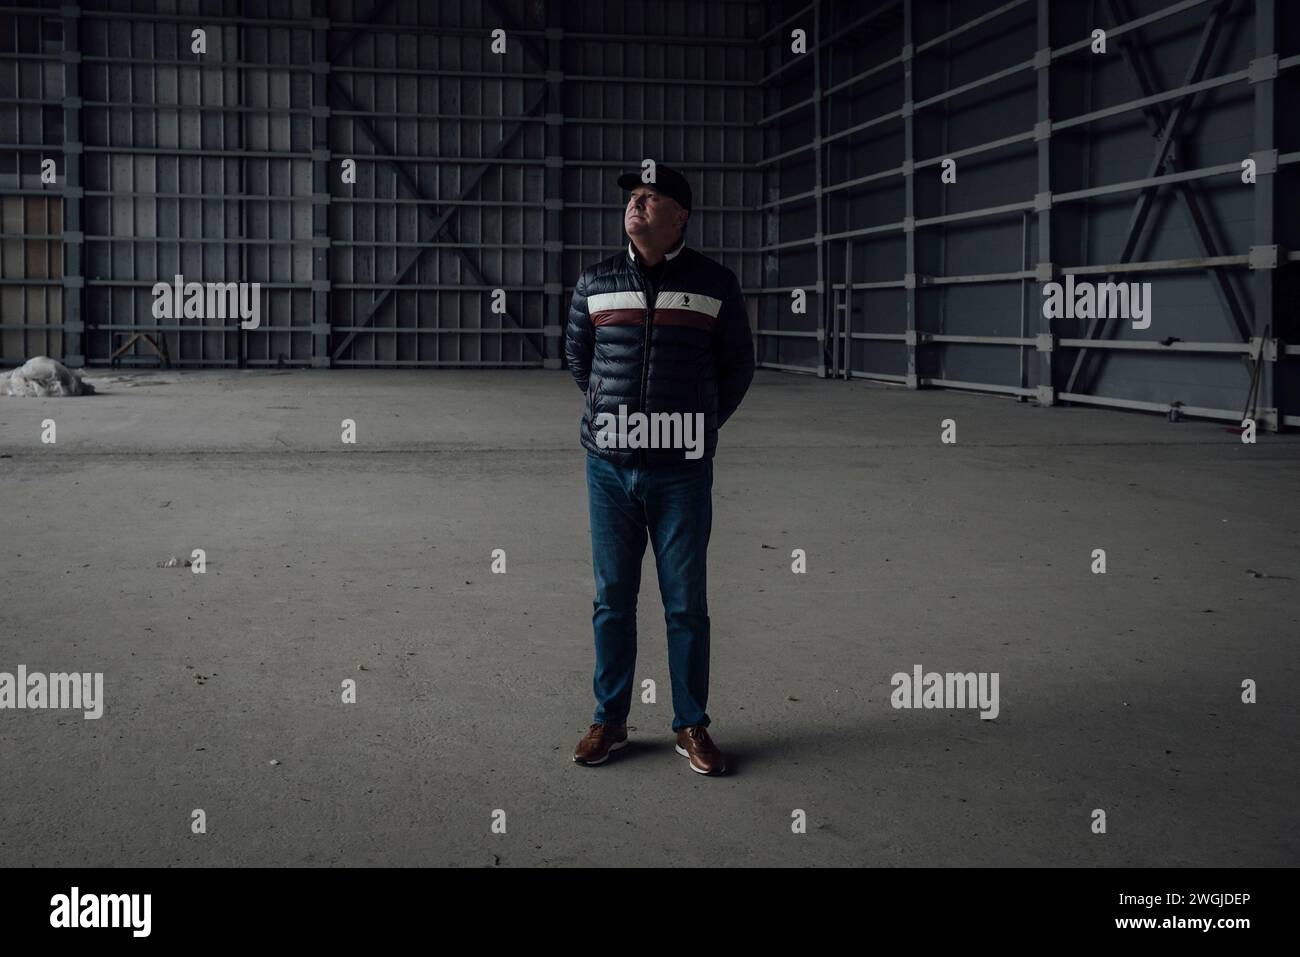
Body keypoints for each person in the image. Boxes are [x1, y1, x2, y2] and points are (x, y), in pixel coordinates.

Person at [563, 164, 755, 776]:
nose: (636, 205)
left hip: (681, 472)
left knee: (685, 603)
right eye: (632, 198)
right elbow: (578, 358)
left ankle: (690, 724)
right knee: (613, 598)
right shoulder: (594, 282)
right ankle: (609, 721)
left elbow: (737, 367)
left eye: (650, 199)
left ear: (680, 217)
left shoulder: (715, 283)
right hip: (610, 469)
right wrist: (610, 417)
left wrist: (695, 426)